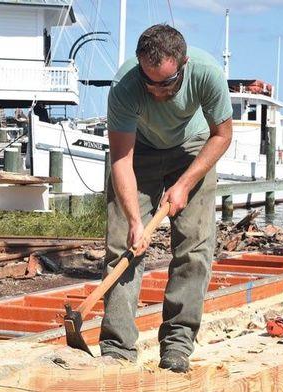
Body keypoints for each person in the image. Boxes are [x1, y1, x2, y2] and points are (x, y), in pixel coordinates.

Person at [100, 24, 233, 372]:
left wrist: (186, 183)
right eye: (149, 81)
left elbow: (222, 135)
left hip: (193, 149)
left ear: (183, 64)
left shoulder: (207, 74)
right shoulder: (126, 86)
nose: (156, 91)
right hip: (138, 150)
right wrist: (133, 220)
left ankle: (177, 345)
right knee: (123, 247)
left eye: (166, 83)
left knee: (194, 247)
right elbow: (121, 160)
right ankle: (117, 349)